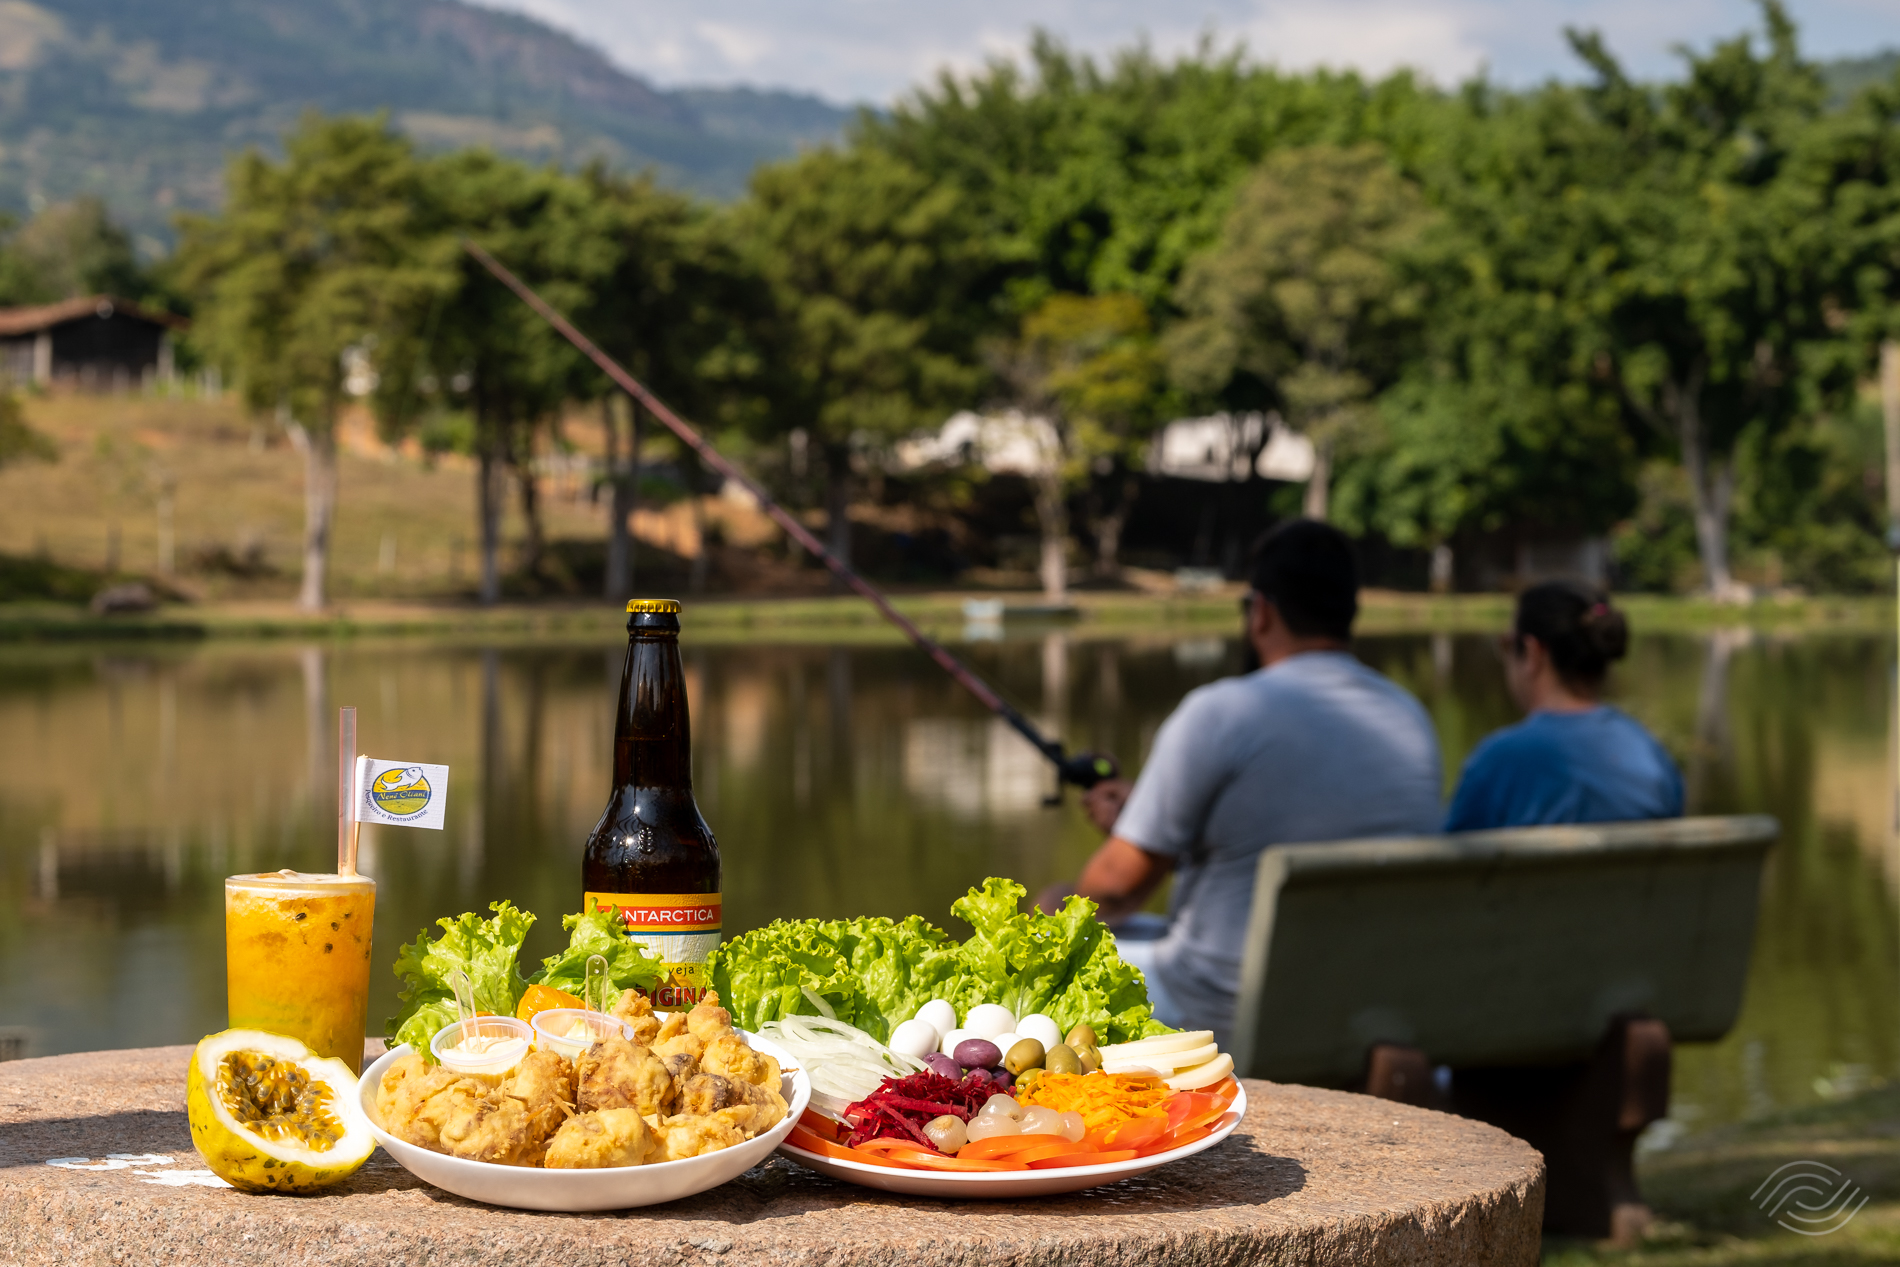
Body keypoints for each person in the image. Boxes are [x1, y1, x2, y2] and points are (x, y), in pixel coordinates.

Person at [1037, 519, 1443, 1042]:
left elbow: (1111, 893)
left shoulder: (1222, 711)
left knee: (1054, 908)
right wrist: (1148, 820)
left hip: (1221, 1004)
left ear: (1262, 611)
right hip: (1364, 994)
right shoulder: (1409, 717)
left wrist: (1120, 846)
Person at [1444, 581, 1682, 831]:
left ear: (1533, 653)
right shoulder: (1652, 755)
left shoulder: (1498, 762)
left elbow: (1450, 865)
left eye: (1506, 645)